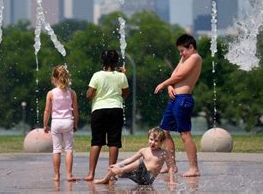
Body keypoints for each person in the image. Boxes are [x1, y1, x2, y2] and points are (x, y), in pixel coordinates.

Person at [154, 34, 202, 177]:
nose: (181, 54)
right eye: (180, 51)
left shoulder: (195, 58)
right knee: (165, 131)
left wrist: (164, 84)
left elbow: (181, 76)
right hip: (174, 98)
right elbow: (175, 73)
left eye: (182, 50)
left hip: (183, 99)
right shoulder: (185, 57)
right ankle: (172, 166)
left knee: (185, 134)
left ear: (191, 47)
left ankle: (194, 168)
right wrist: (170, 87)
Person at [84, 49, 130, 181]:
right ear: (116, 62)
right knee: (114, 142)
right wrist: (123, 76)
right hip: (116, 109)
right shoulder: (121, 76)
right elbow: (125, 94)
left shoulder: (97, 75)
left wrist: (93, 92)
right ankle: (112, 174)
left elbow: (89, 95)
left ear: (102, 61)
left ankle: (91, 173)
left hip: (99, 110)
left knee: (96, 142)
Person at [94, 127, 175, 185]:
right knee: (114, 168)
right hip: (138, 176)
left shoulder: (163, 153)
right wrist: (118, 164)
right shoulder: (144, 150)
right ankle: (105, 180)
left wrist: (171, 181)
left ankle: (121, 170)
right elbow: (130, 160)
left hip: (148, 179)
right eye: (151, 139)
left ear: (161, 142)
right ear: (148, 139)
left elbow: (170, 167)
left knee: (139, 162)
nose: (152, 142)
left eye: (156, 141)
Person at [43, 65, 79, 181]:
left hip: (56, 123)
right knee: (68, 149)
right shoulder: (72, 93)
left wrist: (45, 124)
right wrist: (75, 124)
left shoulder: (51, 93)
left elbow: (47, 110)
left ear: (54, 79)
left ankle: (56, 175)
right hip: (68, 121)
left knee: (56, 149)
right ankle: (69, 175)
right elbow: (76, 110)